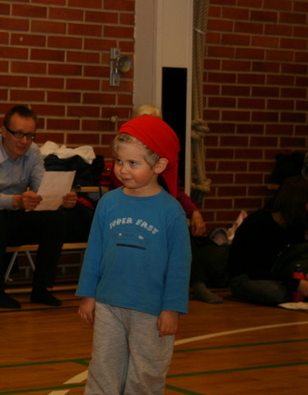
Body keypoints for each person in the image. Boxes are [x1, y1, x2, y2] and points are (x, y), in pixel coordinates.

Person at [77, 115, 191, 395]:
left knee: (148, 368)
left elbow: (180, 265)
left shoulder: (171, 211)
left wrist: (172, 308)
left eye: (133, 163)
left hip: (151, 308)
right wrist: (89, 295)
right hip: (109, 304)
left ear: (159, 165)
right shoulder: (108, 204)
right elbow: (95, 251)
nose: (123, 170)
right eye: (119, 161)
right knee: (103, 364)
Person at [0, 105, 78, 309]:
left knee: (56, 218)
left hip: (10, 216)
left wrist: (61, 198)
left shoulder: (33, 152)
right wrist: (17, 201)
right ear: (4, 131)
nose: (24, 141)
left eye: (30, 135)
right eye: (19, 134)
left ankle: (41, 289)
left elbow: (41, 190)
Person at [132, 104, 223, 303]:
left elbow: (177, 190)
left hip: (164, 212)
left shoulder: (165, 156)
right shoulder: (129, 157)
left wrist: (194, 212)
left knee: (180, 228)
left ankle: (197, 284)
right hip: (137, 212)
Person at [228, 175, 308, 306]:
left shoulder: (296, 224)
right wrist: (295, 284)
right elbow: (256, 271)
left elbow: (297, 257)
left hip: (278, 275)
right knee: (276, 293)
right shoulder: (258, 224)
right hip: (248, 277)